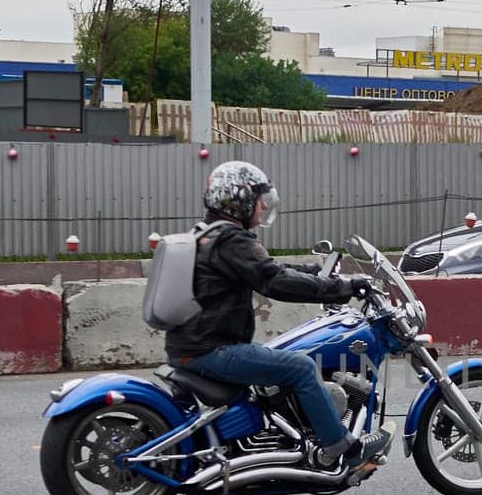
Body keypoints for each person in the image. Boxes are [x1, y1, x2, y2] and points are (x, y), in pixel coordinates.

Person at [165, 161, 390, 471]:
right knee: (300, 367)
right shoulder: (232, 239)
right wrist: (344, 288)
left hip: (189, 346)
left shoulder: (207, 233)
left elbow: (266, 270)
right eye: (259, 201)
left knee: (280, 360)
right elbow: (274, 281)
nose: (262, 208)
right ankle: (341, 446)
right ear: (239, 200)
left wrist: (313, 272)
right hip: (213, 350)